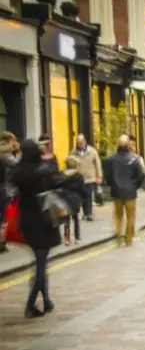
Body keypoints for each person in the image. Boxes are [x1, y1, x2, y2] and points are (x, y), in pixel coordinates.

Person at [11, 139, 65, 318]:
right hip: (43, 219)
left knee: (40, 260)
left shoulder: (18, 172)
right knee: (41, 264)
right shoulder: (43, 171)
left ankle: (47, 301)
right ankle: (30, 304)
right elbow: (57, 184)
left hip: (26, 220)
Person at [104, 135, 145, 246]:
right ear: (128, 145)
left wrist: (111, 185)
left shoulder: (111, 159)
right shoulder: (134, 159)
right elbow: (142, 175)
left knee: (118, 215)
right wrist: (135, 185)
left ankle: (118, 235)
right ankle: (128, 238)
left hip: (116, 192)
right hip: (130, 192)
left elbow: (107, 175)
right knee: (130, 216)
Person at [68, 134, 102, 221]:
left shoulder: (92, 151)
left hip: (90, 177)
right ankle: (86, 213)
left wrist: (99, 176)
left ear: (85, 142)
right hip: (79, 178)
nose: (79, 144)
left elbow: (97, 164)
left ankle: (89, 213)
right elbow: (70, 165)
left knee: (88, 195)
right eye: (78, 143)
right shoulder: (73, 152)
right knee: (82, 196)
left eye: (81, 143)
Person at [61, 155, 86, 245]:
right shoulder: (79, 176)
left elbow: (60, 187)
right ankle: (77, 237)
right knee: (76, 218)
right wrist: (83, 198)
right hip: (76, 199)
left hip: (65, 199)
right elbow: (82, 189)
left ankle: (67, 239)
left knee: (66, 219)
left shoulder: (63, 175)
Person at [0, 131, 18, 253]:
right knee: (3, 219)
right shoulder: (7, 156)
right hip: (3, 189)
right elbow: (19, 166)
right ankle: (1, 244)